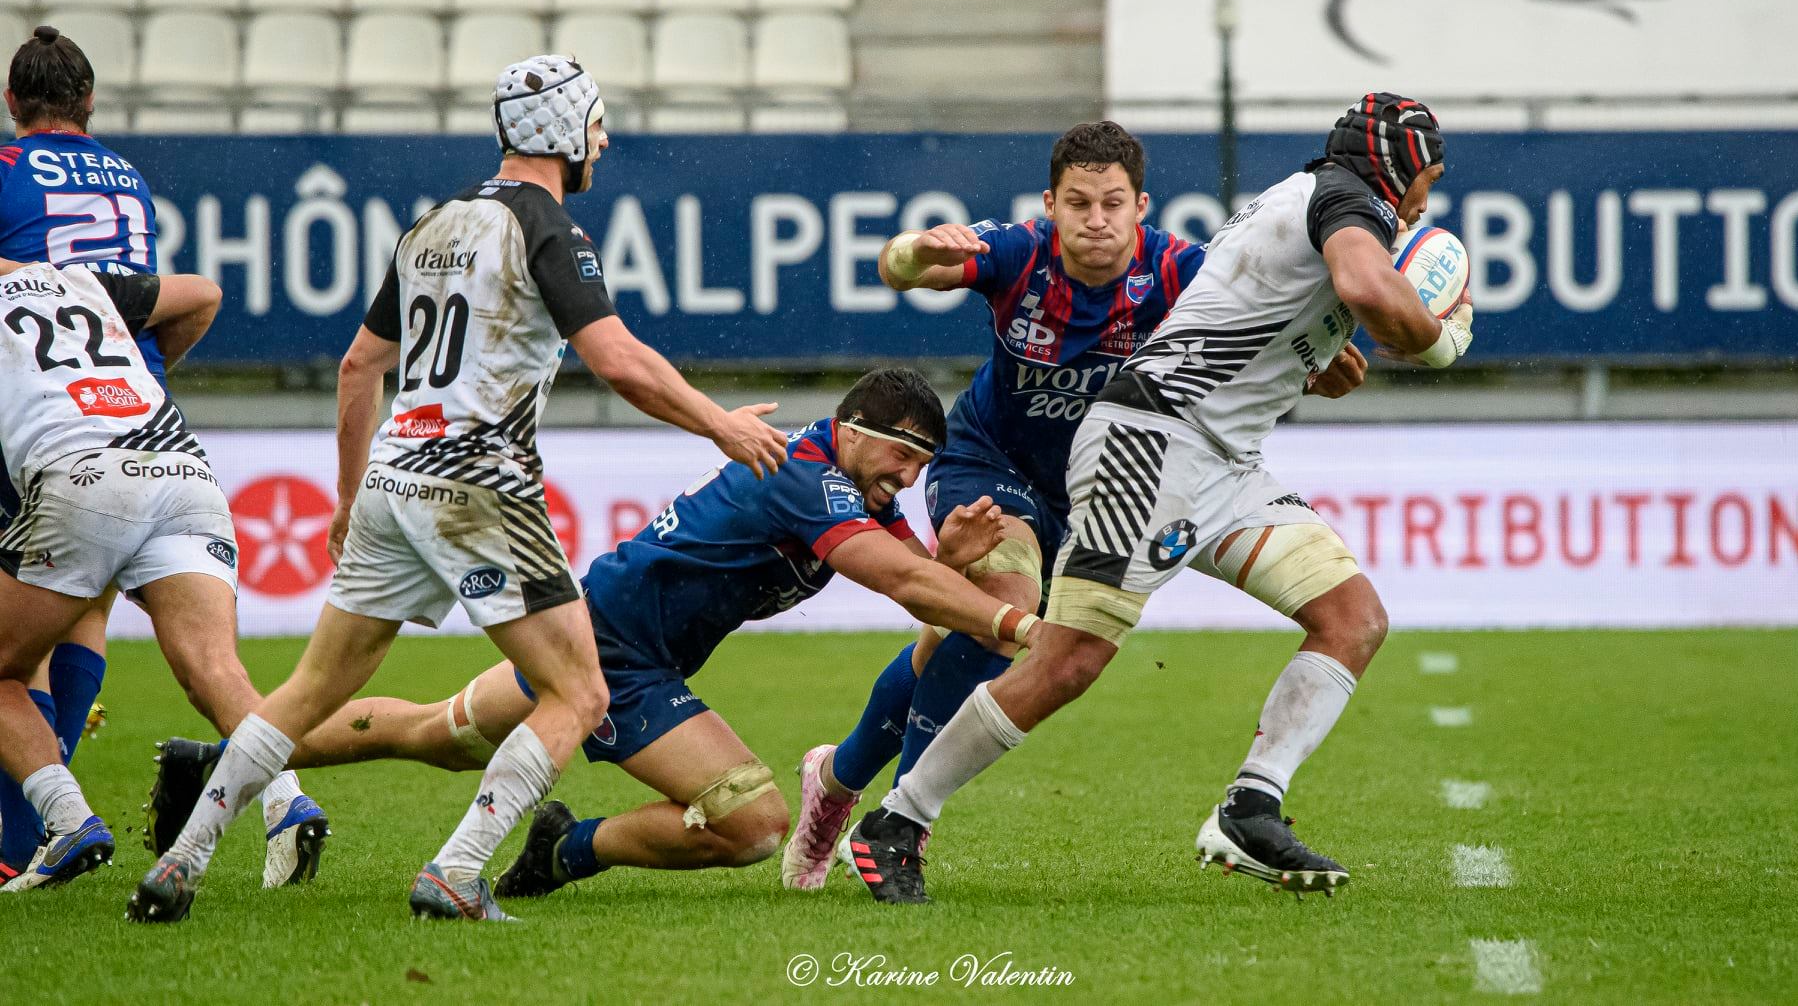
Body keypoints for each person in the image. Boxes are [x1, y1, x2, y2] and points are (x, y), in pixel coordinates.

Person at [127, 55, 787, 924]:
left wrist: (345, 495)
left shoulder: (430, 228)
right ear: (560, 131)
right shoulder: (551, 231)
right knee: (581, 695)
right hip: (479, 482)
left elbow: (361, 366)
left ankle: (179, 863)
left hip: (394, 477)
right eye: (594, 124)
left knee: (304, 694)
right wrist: (721, 425)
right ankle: (457, 871)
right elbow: (618, 359)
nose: (605, 140)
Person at [844, 94, 1474, 903]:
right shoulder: (1349, 202)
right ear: (1400, 168)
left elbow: (1266, 311)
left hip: (1223, 462)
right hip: (1151, 443)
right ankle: (899, 818)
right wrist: (1431, 336)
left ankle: (1252, 806)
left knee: (1354, 618)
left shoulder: (1306, 195)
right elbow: (1373, 292)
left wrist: (1316, 350)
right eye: (1429, 177)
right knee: (1069, 660)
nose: (1428, 199)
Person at [158, 368, 1039, 898]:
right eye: (904, 458)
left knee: (440, 732)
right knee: (752, 823)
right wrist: (1011, 618)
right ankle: (569, 845)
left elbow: (916, 581)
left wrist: (952, 566)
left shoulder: (844, 482)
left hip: (605, 624)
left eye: (924, 466)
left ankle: (225, 761)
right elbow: (896, 579)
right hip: (619, 653)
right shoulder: (806, 478)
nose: (912, 479)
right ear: (853, 432)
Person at [0, 25, 328, 890]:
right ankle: (287, 801)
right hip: (160, 432)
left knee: (23, 642)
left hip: (55, 430)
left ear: (10, 104)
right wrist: (145, 369)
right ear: (92, 103)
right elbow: (193, 294)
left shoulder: (7, 179)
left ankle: (51, 821)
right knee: (204, 664)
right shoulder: (128, 182)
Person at [0, 254, 269, 891]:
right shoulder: (81, 279)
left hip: (82, 478)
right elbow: (204, 291)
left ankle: (67, 820)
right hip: (179, 463)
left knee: (8, 664)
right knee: (217, 670)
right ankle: (289, 803)